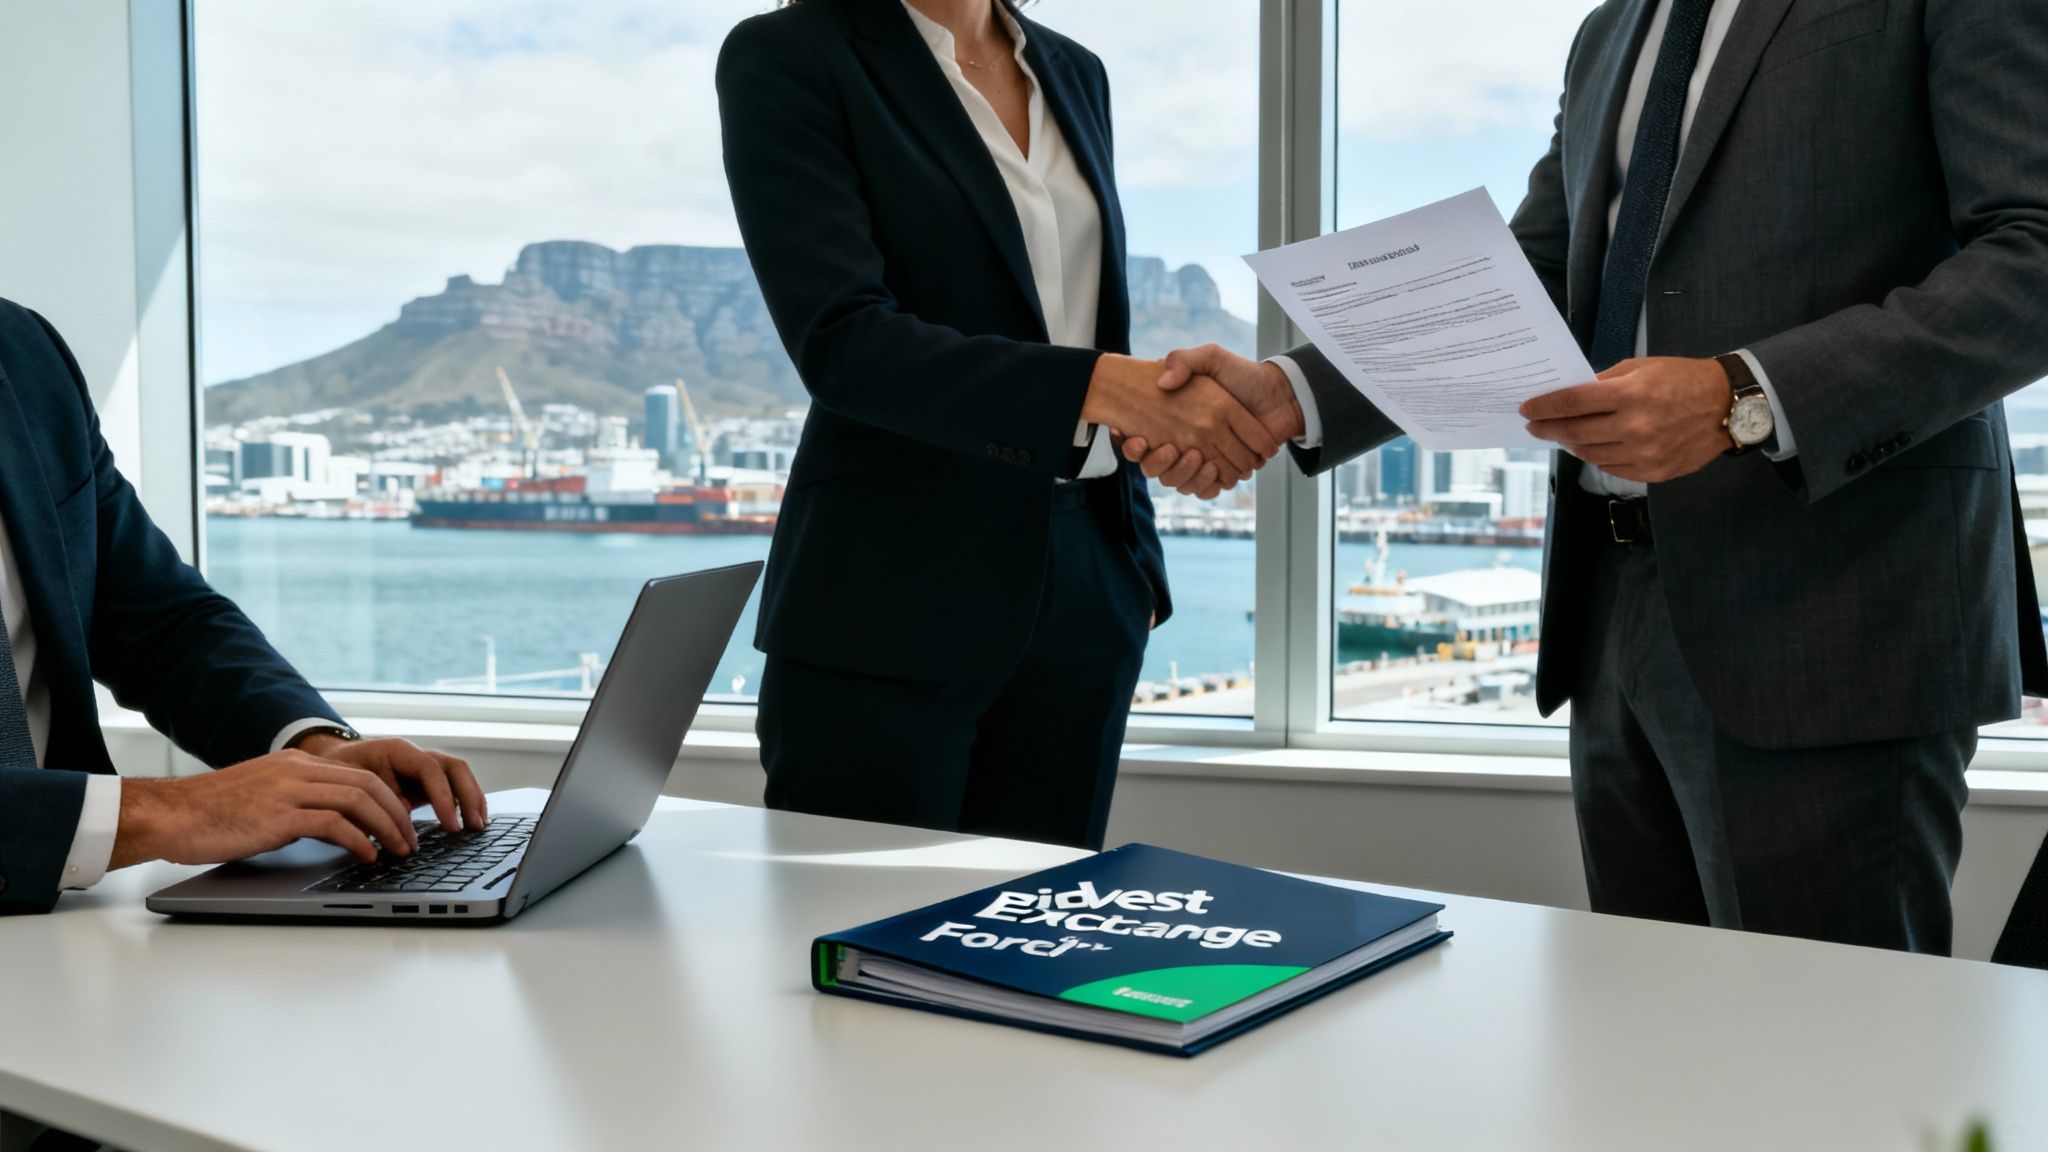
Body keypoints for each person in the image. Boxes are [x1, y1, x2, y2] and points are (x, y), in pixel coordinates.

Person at [1126, 0, 2048, 953]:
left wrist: (1744, 398)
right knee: (1647, 1051)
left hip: (1838, 615)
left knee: (1834, 1067)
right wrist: (1290, 393)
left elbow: (2035, 256)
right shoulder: (1615, 30)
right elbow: (1534, 280)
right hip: (1612, 618)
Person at [716, 0, 1276, 849]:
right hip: (892, 591)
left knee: (1043, 943)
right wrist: (1110, 389)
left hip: (1088, 580)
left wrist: (1131, 563)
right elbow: (844, 342)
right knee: (853, 942)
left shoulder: (1073, 70)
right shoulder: (788, 53)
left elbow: (1082, 320)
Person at [0, 298, 488, 918]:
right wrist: (176, 811)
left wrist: (314, 747)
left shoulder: (24, 350)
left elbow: (159, 618)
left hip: (56, 931)